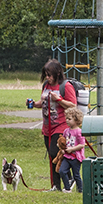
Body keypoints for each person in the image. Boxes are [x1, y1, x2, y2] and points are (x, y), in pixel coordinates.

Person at [31, 58, 76, 191]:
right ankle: (56, 185)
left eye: (49, 74)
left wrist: (59, 100)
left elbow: (73, 105)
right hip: (47, 127)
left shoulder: (65, 86)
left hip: (61, 125)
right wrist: (34, 104)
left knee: (55, 152)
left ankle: (69, 177)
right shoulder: (46, 85)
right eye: (45, 74)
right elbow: (43, 101)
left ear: (57, 74)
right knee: (52, 156)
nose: (47, 77)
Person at [58, 107, 86, 193]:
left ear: (76, 120)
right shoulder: (66, 131)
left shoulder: (79, 132)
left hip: (76, 157)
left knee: (76, 175)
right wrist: (62, 149)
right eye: (66, 118)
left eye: (69, 119)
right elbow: (62, 142)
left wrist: (72, 149)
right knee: (62, 171)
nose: (67, 120)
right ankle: (67, 188)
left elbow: (82, 144)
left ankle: (80, 190)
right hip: (67, 156)